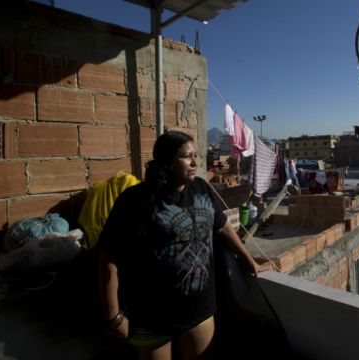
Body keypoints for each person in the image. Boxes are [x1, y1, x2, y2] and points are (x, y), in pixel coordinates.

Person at [98, 131, 265, 360]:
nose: (196, 162)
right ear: (166, 161)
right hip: (152, 314)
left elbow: (223, 226)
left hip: (200, 309)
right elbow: (109, 258)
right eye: (187, 156)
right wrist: (113, 316)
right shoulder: (135, 200)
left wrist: (249, 260)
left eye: (196, 155)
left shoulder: (201, 189)